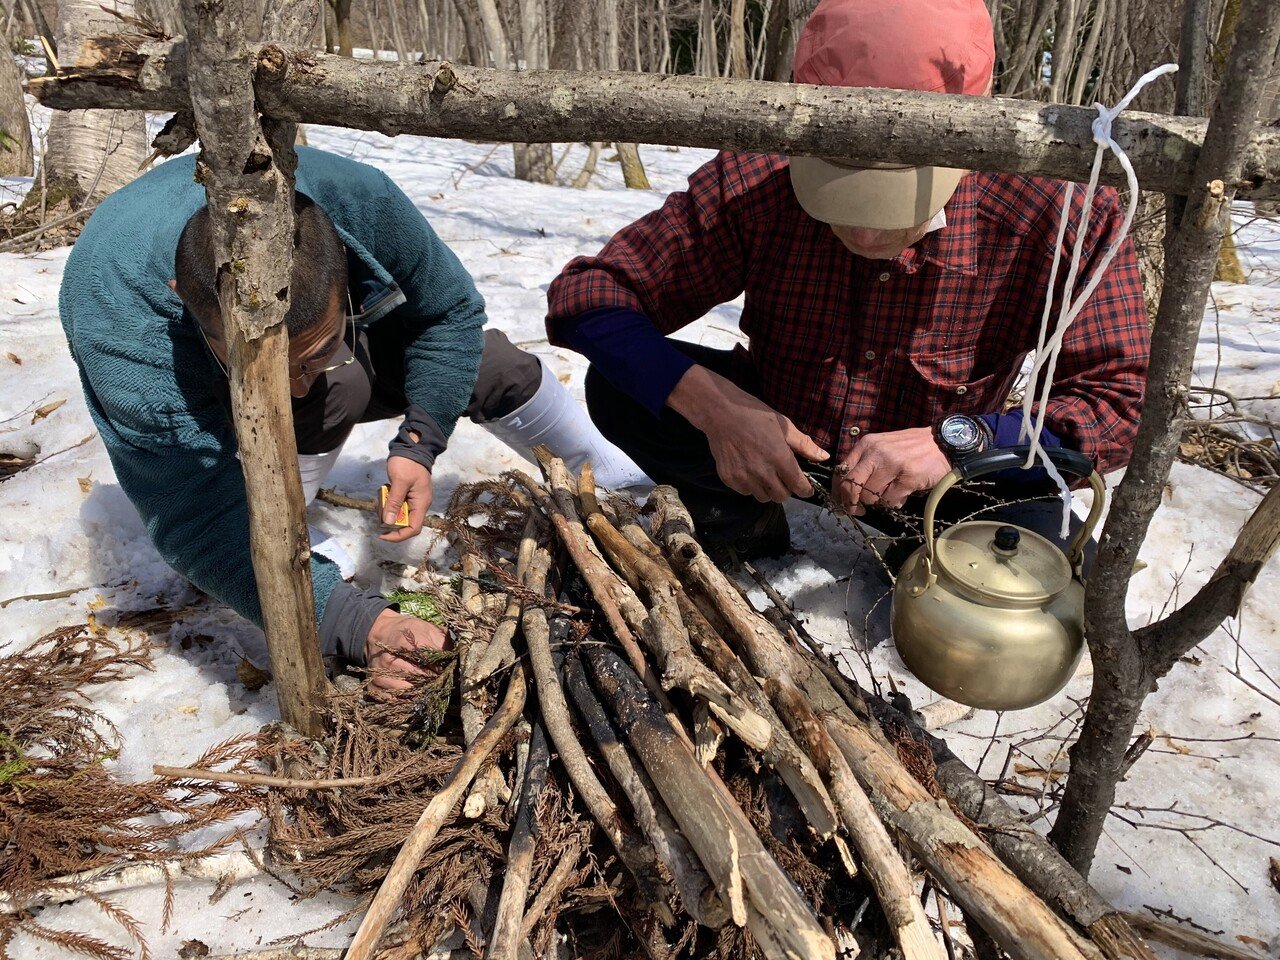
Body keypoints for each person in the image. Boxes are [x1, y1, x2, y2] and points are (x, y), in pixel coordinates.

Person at [546, 0, 1149, 568]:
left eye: (891, 201)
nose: (863, 232)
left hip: (949, 472)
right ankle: (741, 520)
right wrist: (718, 409)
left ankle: (922, 555)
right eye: (837, 190)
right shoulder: (761, 177)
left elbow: (1121, 403)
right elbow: (588, 296)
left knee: (1055, 570)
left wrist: (961, 442)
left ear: (970, 144)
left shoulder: (1058, 212)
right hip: (782, 445)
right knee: (626, 386)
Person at [61, 146, 647, 695]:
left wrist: (419, 443)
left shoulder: (358, 202)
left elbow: (448, 313)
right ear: (186, 299)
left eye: (312, 352)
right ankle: (285, 536)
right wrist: (349, 620)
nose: (290, 389)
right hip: (190, 378)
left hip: (335, 309)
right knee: (329, 389)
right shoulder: (120, 317)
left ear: (344, 269)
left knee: (485, 365)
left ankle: (625, 489)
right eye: (256, 361)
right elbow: (192, 513)